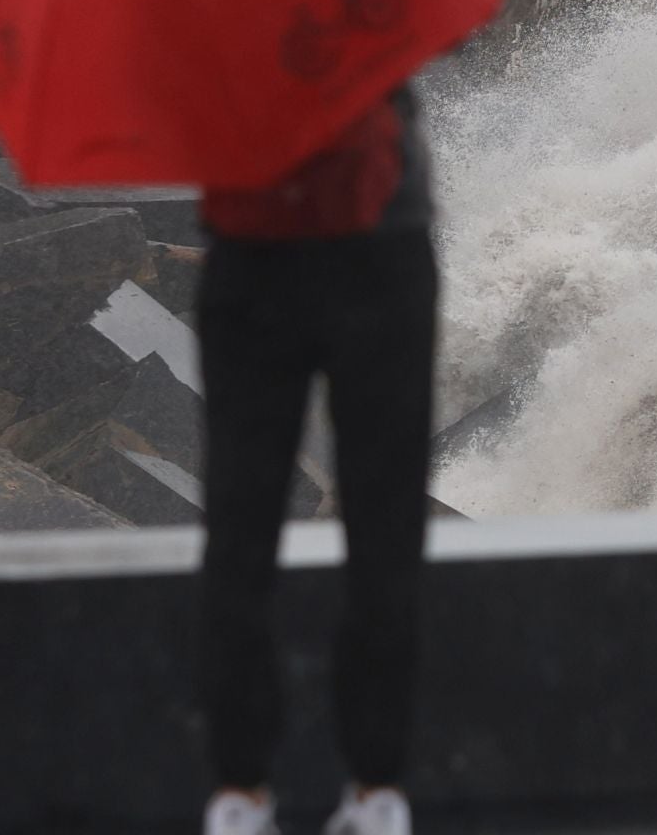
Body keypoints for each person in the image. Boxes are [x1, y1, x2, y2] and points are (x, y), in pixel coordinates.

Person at [198, 85, 438, 835]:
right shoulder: (381, 1)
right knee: (384, 529)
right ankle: (377, 792)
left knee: (240, 529)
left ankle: (241, 795)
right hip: (381, 243)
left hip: (255, 243)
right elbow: (450, 35)